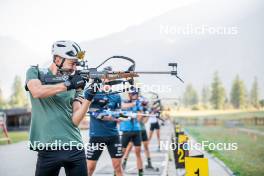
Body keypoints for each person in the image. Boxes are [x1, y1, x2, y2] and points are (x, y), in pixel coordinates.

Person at [25, 40, 96, 176]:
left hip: (74, 146)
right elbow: (37, 91)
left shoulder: (76, 81)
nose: (74, 68)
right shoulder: (35, 72)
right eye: (72, 63)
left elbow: (75, 120)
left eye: (76, 64)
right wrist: (68, 85)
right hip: (47, 148)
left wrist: (89, 97)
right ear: (57, 59)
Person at [86, 67, 135, 176]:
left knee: (118, 167)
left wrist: (124, 116)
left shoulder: (116, 96)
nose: (107, 79)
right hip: (96, 136)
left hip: (113, 135)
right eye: (104, 76)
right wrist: (109, 116)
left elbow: (118, 114)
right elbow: (92, 111)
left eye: (109, 77)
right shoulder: (93, 93)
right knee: (89, 168)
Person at [122, 95, 154, 170]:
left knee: (146, 147)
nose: (144, 105)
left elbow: (144, 122)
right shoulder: (135, 106)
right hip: (134, 130)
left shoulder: (142, 108)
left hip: (142, 130)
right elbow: (138, 120)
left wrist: (148, 114)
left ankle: (149, 163)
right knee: (129, 148)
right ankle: (124, 162)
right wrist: (141, 114)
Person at [119, 88, 144, 176]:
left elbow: (141, 114)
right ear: (130, 94)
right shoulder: (124, 101)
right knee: (120, 153)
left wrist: (137, 117)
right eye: (133, 94)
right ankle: (117, 171)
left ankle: (141, 173)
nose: (135, 96)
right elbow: (121, 107)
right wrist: (132, 106)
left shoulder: (137, 103)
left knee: (138, 152)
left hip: (136, 130)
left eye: (136, 94)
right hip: (126, 130)